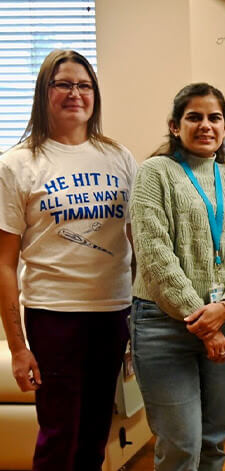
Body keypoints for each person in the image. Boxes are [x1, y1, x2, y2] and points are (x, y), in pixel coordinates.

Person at [0, 49, 135, 471]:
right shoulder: (17, 164)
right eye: (64, 84)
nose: (75, 93)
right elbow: (4, 264)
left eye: (84, 85)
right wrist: (19, 347)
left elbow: (139, 245)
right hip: (54, 316)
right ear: (44, 93)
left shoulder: (119, 157)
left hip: (112, 313)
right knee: (60, 438)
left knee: (96, 437)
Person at [129, 82, 225, 471]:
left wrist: (224, 307)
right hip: (163, 327)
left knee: (213, 442)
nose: (206, 125)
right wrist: (205, 323)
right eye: (194, 117)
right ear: (175, 126)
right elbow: (155, 257)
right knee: (181, 446)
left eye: (214, 118)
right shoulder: (154, 173)